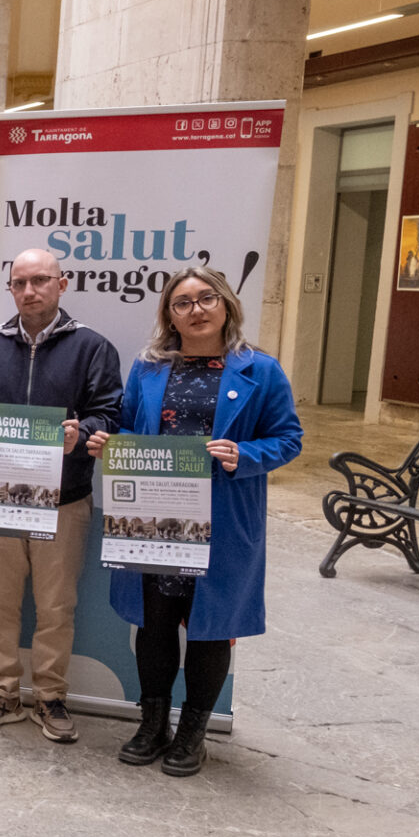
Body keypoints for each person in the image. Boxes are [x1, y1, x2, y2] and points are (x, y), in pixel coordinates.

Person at [88, 267, 301, 776]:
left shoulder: (261, 370)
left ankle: (192, 734)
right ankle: (152, 724)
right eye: (182, 303)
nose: (196, 310)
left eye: (207, 298)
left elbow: (288, 438)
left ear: (226, 305)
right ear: (169, 315)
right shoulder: (149, 368)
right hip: (156, 518)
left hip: (222, 520)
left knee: (210, 630)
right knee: (155, 623)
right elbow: (127, 427)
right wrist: (109, 443)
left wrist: (245, 455)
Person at [0, 248, 122, 743]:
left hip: (64, 498)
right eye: (20, 283)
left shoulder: (93, 347)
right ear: (10, 289)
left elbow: (111, 414)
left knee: (56, 605)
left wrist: (81, 433)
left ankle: (50, 696)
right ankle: (1, 691)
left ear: (61, 285)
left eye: (40, 280)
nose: (30, 291)